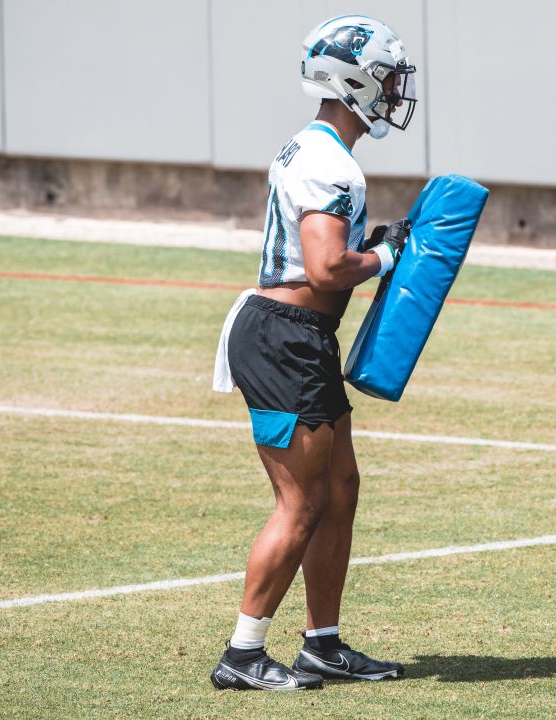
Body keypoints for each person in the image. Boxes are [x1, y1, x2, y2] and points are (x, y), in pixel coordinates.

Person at [208, 15, 419, 691]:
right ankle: (243, 655)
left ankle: (322, 644)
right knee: (299, 503)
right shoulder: (333, 163)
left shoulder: (315, 148)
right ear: (354, 80)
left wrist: (375, 249)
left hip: (301, 340)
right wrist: (386, 255)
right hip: (285, 340)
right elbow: (327, 270)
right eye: (385, 78)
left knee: (339, 490)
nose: (392, 91)